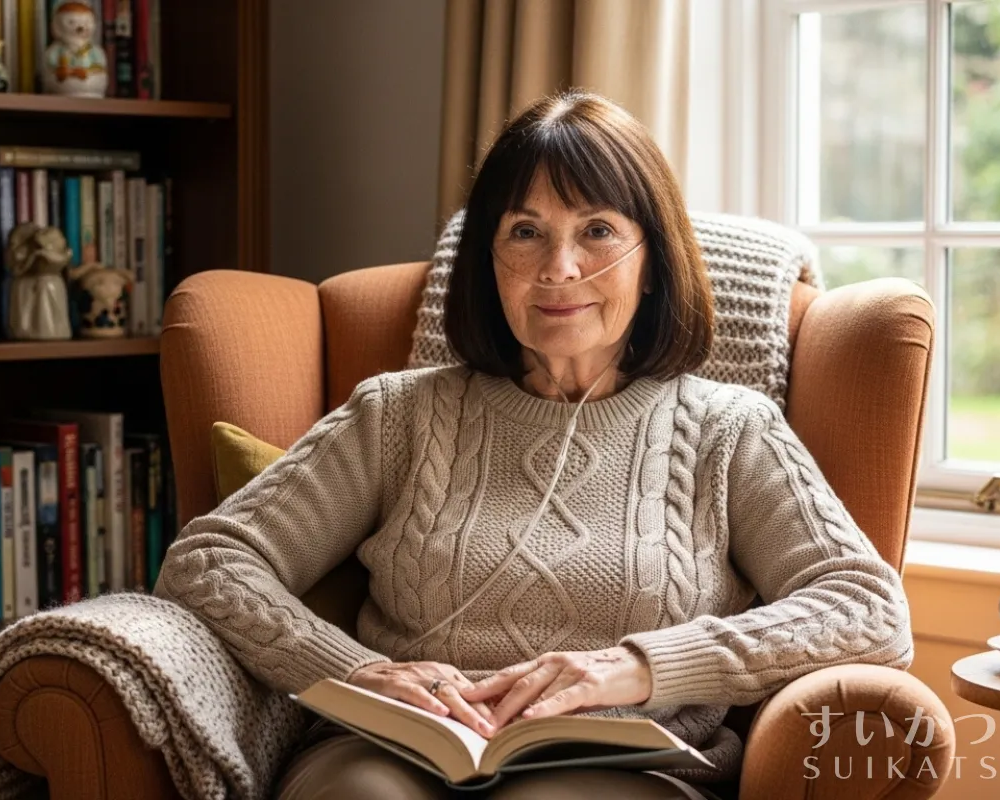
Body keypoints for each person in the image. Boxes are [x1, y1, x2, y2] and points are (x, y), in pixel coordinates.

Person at [153, 89, 914, 799]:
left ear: (653, 262)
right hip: (391, 755)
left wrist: (637, 667)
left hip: (623, 762)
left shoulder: (729, 429)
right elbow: (208, 560)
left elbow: (867, 608)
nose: (559, 269)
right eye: (526, 232)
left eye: (597, 232)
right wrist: (360, 672)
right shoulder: (398, 414)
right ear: (489, 259)